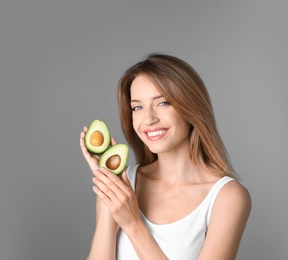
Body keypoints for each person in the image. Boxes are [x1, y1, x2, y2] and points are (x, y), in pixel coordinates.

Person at [80, 53, 251, 260]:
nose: (149, 119)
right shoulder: (122, 185)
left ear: (191, 108)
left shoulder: (227, 197)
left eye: (163, 103)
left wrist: (133, 225)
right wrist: (109, 189)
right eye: (137, 107)